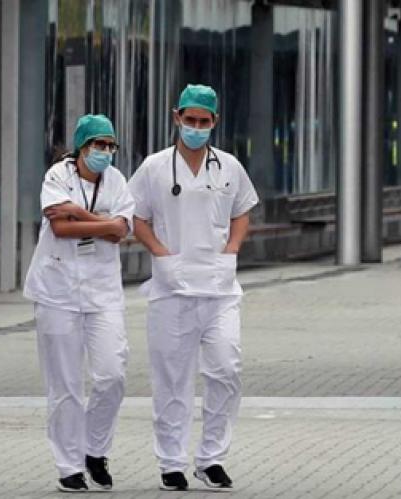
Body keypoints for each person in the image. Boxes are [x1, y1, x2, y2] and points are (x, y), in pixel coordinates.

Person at [127, 84, 259, 491]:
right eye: (190, 120)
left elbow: (242, 211)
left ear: (215, 121)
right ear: (177, 117)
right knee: (172, 380)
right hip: (172, 289)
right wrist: (160, 253)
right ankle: (171, 462)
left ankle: (212, 457)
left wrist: (232, 249)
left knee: (226, 370)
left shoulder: (229, 166)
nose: (196, 127)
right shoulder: (154, 167)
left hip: (220, 288)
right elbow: (136, 217)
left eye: (204, 121)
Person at [23, 114, 134, 492]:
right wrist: (102, 221)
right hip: (57, 290)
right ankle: (69, 465)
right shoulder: (58, 175)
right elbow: (59, 226)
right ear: (82, 146)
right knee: (65, 385)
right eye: (98, 144)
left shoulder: (117, 181)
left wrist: (80, 214)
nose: (105, 151)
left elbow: (120, 231)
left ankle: (94, 449)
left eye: (110, 145)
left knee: (112, 374)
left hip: (103, 291)